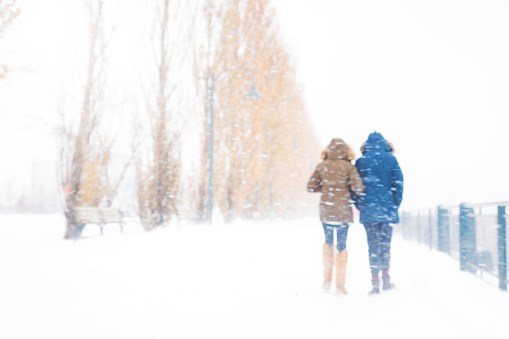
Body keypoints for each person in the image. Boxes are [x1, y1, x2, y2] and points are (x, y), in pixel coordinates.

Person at [307, 138, 364, 295]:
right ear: (346, 151)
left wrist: (325, 187)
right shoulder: (349, 167)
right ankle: (340, 285)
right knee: (341, 246)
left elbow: (310, 187)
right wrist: (347, 188)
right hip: (343, 212)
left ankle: (326, 281)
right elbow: (358, 188)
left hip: (327, 211)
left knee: (328, 244)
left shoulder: (322, 166)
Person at [354, 132, 403, 294]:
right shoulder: (391, 160)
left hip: (369, 211)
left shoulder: (361, 162)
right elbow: (399, 183)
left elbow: (354, 186)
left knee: (372, 246)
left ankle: (374, 282)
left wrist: (360, 204)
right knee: (385, 245)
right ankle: (386, 278)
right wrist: (394, 203)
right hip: (387, 210)